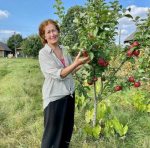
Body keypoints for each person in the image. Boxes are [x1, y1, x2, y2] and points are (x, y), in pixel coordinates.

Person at [38, 19, 90, 148]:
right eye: (48, 32)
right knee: (51, 137)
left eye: (54, 30)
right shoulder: (43, 53)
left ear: (58, 31)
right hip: (55, 98)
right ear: (44, 36)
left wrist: (83, 63)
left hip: (69, 95)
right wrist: (75, 63)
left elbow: (69, 70)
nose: (52, 34)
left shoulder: (64, 49)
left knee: (66, 133)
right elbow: (59, 74)